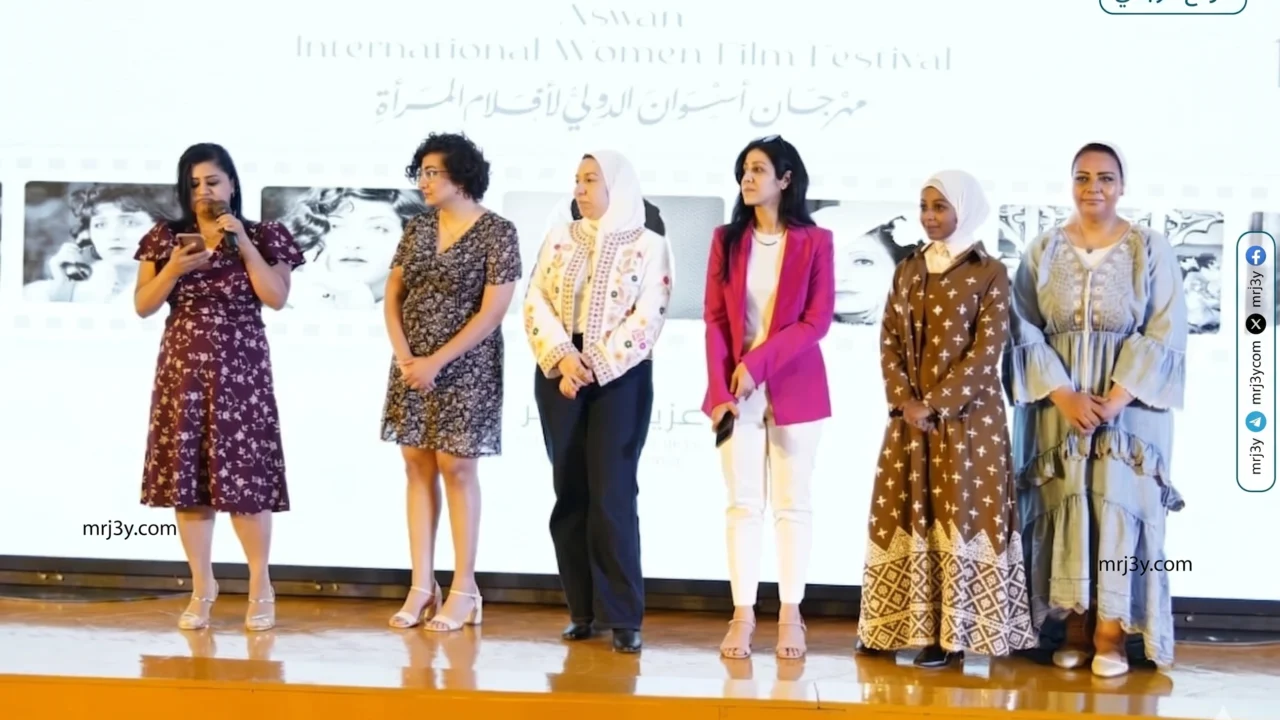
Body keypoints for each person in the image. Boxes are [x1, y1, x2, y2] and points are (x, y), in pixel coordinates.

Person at [1004, 142, 1187, 677]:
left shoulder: (1150, 248)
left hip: (1128, 415)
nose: (1094, 188)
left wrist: (1117, 398)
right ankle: (1075, 630)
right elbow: (1022, 328)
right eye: (1082, 177)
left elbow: (1165, 328)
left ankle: (1112, 637)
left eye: (1105, 177)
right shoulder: (1042, 250)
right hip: (1057, 412)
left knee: (1118, 506)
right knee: (1068, 504)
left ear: (1122, 185)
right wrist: (1064, 394)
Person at [854, 170, 1037, 667]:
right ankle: (890, 625)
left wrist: (934, 404)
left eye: (940, 206)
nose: (929, 216)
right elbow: (889, 338)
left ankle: (949, 639)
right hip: (909, 422)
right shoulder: (908, 268)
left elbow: (986, 352)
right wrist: (905, 401)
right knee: (902, 512)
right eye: (924, 206)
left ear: (965, 208)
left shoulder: (990, 272)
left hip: (967, 423)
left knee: (960, 516)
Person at [133, 142, 305, 632]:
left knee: (246, 483)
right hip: (183, 371)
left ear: (232, 183)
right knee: (190, 487)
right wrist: (174, 268)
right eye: (193, 184)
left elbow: (275, 297)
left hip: (242, 373)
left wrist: (243, 243)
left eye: (212, 181)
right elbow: (143, 305)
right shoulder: (165, 238)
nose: (203, 192)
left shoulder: (265, 235)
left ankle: (260, 586)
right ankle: (201, 586)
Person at [524, 150, 674, 653]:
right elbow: (535, 301)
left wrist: (595, 365)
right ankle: (583, 610)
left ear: (617, 186)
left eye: (590, 180)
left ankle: (623, 615)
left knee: (612, 492)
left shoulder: (651, 245)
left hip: (620, 378)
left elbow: (649, 314)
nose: (580, 189)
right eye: (577, 180)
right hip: (559, 373)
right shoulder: (559, 237)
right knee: (570, 490)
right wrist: (564, 360)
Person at [381, 132, 522, 631]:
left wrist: (436, 361)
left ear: (461, 176)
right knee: (416, 464)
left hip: (467, 365)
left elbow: (493, 312)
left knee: (457, 467)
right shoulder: (417, 228)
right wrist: (407, 357)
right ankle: (422, 585)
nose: (422, 181)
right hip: (412, 364)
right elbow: (393, 295)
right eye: (419, 172)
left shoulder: (497, 231)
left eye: (432, 172)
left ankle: (465, 589)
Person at [701, 135, 834, 660]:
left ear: (785, 178)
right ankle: (742, 614)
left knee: (792, 505)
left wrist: (756, 365)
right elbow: (714, 320)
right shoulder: (727, 240)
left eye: (758, 169)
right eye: (743, 170)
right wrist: (720, 390)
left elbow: (815, 322)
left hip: (795, 388)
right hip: (736, 394)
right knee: (742, 505)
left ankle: (790, 614)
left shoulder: (815, 241)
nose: (747, 179)